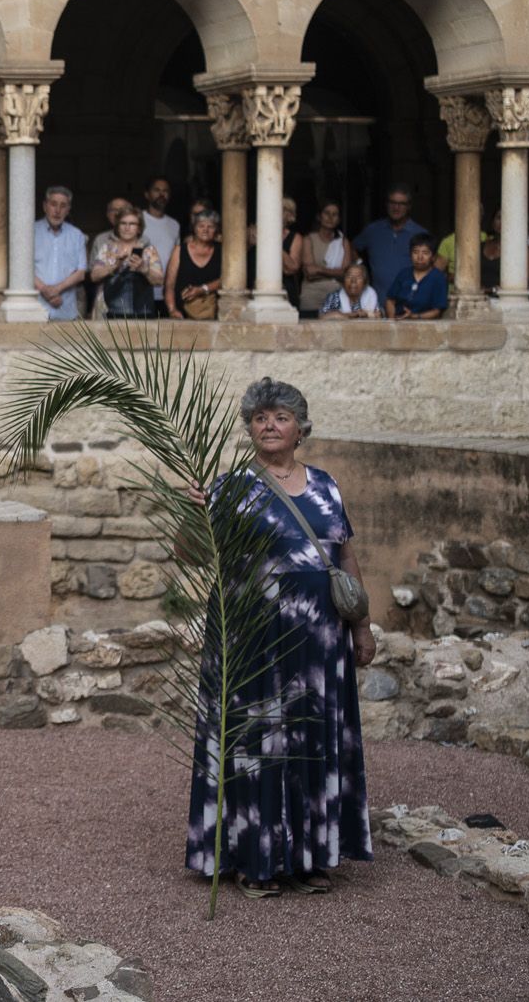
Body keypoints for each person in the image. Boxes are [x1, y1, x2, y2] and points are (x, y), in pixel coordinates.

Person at [186, 378, 373, 898]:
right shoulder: (229, 488)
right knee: (258, 746)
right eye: (260, 417)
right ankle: (255, 860)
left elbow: (345, 557)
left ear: (300, 429)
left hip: (318, 641)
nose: (269, 425)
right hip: (254, 641)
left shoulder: (327, 486)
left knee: (313, 741)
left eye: (281, 417)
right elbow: (191, 554)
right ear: (250, 428)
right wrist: (192, 512)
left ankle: (311, 857)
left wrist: (361, 624)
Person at [353, 185, 429, 299]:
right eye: (392, 202)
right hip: (376, 303)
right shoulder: (373, 230)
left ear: (409, 207)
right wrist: (360, 268)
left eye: (401, 204)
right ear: (386, 204)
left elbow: (431, 267)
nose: (396, 207)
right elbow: (350, 247)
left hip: (409, 303)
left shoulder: (420, 234)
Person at [89, 205, 164, 318]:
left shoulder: (149, 251)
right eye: (123, 223)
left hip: (142, 313)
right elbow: (94, 276)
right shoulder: (107, 249)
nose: (127, 227)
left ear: (139, 228)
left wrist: (144, 268)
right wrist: (114, 266)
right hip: (109, 312)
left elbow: (159, 281)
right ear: (117, 226)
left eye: (132, 224)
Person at [34, 186, 88, 321]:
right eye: (53, 204)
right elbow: (22, 268)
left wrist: (56, 289)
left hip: (66, 310)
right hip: (35, 309)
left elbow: (81, 273)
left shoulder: (77, 235)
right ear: (45, 206)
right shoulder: (30, 232)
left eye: (63, 206)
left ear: (68, 209)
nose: (57, 211)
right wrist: (45, 291)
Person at [292, 201, 349, 316]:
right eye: (326, 213)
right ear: (319, 216)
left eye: (334, 214)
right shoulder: (308, 240)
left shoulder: (343, 242)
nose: (330, 217)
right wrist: (335, 273)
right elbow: (310, 273)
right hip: (311, 299)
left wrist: (320, 270)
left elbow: (346, 274)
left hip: (336, 298)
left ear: (338, 220)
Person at [165, 209, 223, 320]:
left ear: (216, 230)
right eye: (201, 226)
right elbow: (169, 284)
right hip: (182, 313)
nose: (205, 230)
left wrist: (203, 289)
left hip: (212, 313)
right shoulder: (180, 250)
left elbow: (228, 279)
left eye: (210, 226)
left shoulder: (222, 251)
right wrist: (172, 310)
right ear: (194, 228)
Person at [384, 233, 447, 320]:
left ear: (433, 257)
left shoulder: (438, 278)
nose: (419, 257)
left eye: (425, 253)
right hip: (398, 323)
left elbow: (436, 311)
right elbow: (390, 300)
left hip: (424, 327)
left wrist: (414, 317)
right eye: (415, 252)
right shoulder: (404, 274)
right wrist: (392, 320)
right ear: (410, 254)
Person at [141, 177, 180, 305]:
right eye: (156, 190)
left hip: (167, 292)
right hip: (141, 291)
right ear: (147, 194)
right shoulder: (136, 221)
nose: (161, 194)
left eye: (165, 191)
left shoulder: (174, 225)